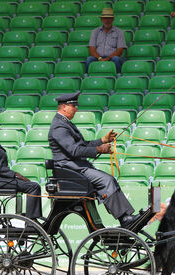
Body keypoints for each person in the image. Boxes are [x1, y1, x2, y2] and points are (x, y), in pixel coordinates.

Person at [47, 91, 140, 228]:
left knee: (109, 179)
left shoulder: (65, 123)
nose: (76, 108)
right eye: (73, 105)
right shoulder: (59, 127)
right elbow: (74, 150)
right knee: (106, 180)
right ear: (64, 107)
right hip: (70, 168)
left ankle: (125, 216)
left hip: (76, 166)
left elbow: (82, 145)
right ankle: (124, 218)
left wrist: (102, 140)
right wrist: (99, 149)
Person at [0, 113, 42, 219]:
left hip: (2, 180)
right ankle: (31, 220)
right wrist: (16, 175)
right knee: (34, 187)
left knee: (32, 185)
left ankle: (30, 217)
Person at [86, 8, 127, 74]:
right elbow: (92, 49)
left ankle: (118, 77)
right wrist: (100, 58)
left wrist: (108, 58)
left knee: (116, 59)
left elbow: (120, 50)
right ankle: (88, 78)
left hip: (113, 58)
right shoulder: (95, 31)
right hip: (98, 58)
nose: (107, 20)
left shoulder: (119, 32)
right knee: (89, 59)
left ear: (112, 19)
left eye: (109, 18)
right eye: (105, 18)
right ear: (101, 20)